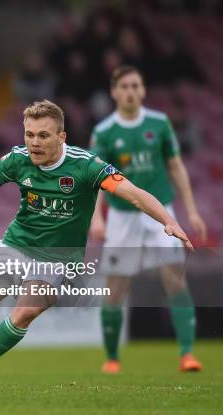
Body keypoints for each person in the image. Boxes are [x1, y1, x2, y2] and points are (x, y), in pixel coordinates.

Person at [0, 100, 193, 387]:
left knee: (26, 312)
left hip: (59, 257)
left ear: (62, 136)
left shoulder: (86, 166)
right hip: (17, 245)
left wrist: (168, 220)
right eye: (29, 134)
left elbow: (134, 193)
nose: (34, 142)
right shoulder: (17, 160)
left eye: (43, 135)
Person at [89, 65, 207, 374]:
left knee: (175, 281)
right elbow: (94, 177)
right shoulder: (104, 132)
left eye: (135, 86)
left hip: (160, 214)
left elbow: (176, 166)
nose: (130, 91)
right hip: (122, 216)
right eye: (124, 86)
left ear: (142, 90)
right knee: (115, 288)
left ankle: (187, 354)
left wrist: (191, 210)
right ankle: (112, 358)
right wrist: (96, 218)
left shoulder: (159, 123)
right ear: (114, 92)